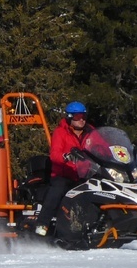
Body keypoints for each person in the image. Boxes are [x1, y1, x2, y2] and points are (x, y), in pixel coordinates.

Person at [35, 101, 96, 236]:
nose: (81, 120)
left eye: (84, 116)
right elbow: (54, 154)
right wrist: (66, 157)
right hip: (64, 174)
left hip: (84, 174)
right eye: (77, 116)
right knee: (57, 190)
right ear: (69, 117)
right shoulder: (61, 133)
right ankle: (42, 224)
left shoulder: (90, 132)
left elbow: (101, 146)